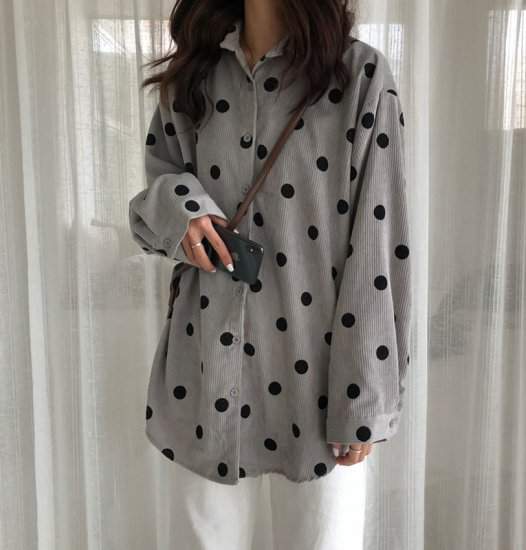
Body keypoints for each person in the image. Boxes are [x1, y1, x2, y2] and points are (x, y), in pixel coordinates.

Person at [129, 0, 411, 514]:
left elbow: (379, 243)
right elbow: (155, 196)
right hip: (206, 376)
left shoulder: (359, 76)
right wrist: (182, 212)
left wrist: (363, 396)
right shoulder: (194, 74)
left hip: (320, 391)